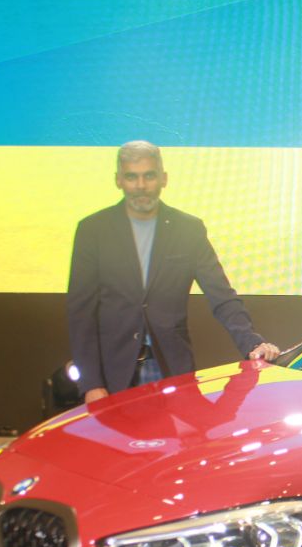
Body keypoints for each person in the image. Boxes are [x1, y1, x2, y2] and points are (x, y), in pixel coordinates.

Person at [66, 141, 279, 403]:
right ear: (118, 180)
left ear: (163, 179)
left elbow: (222, 296)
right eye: (132, 177)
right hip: (113, 375)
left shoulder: (188, 229)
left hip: (172, 370)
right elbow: (81, 313)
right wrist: (91, 383)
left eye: (149, 176)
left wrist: (252, 343)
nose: (141, 185)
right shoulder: (93, 230)